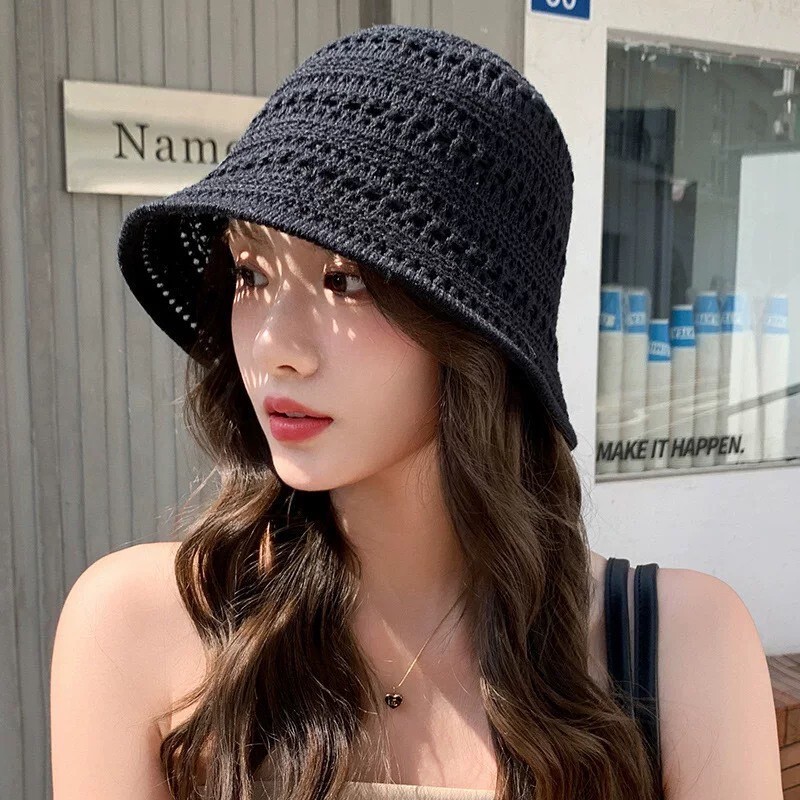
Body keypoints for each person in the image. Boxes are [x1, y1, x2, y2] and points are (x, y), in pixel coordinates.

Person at [49, 23, 782, 800]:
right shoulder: (140, 628)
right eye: (251, 274)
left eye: (346, 281)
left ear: (476, 333)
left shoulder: (677, 650)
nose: (273, 347)